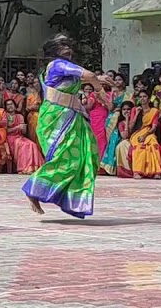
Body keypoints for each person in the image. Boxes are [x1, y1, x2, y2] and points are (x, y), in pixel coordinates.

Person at [20, 34, 106, 218]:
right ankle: (34, 187)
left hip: (71, 116)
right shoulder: (57, 64)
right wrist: (100, 91)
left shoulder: (63, 68)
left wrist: (100, 79)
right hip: (58, 118)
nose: (68, 49)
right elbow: (89, 76)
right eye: (63, 45)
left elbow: (84, 79)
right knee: (67, 158)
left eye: (69, 45)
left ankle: (68, 197)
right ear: (54, 50)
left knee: (86, 154)